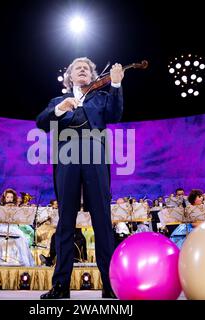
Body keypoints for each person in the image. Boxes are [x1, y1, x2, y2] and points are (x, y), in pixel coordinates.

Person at [36, 57, 124, 299]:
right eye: (78, 68)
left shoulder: (102, 97)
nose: (83, 70)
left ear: (92, 75)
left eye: (87, 68)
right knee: (65, 222)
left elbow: (115, 116)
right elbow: (41, 122)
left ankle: (110, 284)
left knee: (103, 222)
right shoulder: (58, 101)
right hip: (66, 159)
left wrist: (115, 85)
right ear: (70, 76)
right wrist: (60, 108)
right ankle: (61, 286)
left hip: (96, 158)